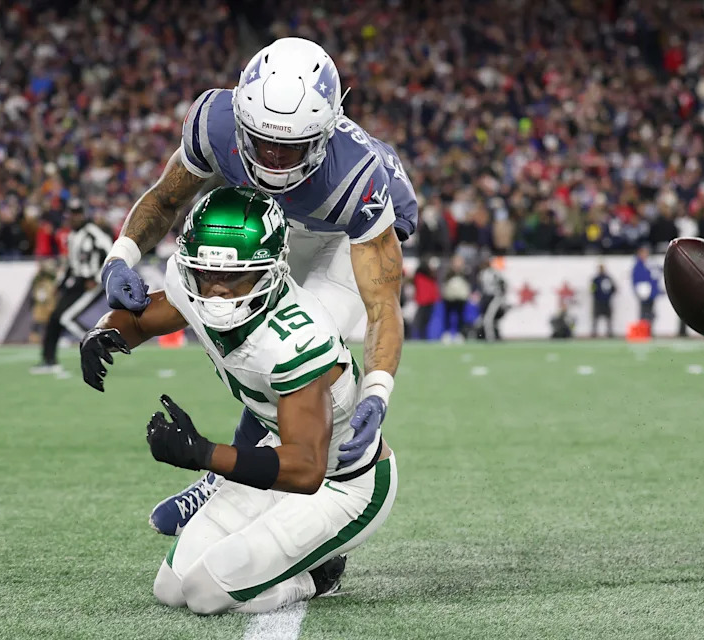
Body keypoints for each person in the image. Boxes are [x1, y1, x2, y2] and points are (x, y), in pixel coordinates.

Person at [101, 38, 416, 535]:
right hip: (279, 218)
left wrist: (378, 392)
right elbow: (165, 199)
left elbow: (382, 307)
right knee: (243, 324)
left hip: (340, 233)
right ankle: (242, 474)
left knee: (295, 346)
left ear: (323, 133)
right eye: (262, 140)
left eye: (290, 146)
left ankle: (232, 480)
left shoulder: (357, 179)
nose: (272, 158)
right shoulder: (214, 122)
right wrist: (119, 257)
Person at [80, 188, 396, 614]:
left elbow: (306, 470)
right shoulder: (194, 287)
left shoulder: (297, 340)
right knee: (171, 588)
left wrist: (204, 454)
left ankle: (317, 579)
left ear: (273, 271)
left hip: (343, 483)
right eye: (205, 273)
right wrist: (103, 330)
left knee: (208, 594)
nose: (217, 291)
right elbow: (141, 318)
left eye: (235, 276)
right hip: (277, 453)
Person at [32, 200, 113, 372]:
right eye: (72, 213)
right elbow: (71, 263)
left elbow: (110, 252)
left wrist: (97, 278)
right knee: (55, 318)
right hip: (76, 281)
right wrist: (59, 284)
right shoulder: (72, 236)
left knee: (66, 318)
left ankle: (99, 349)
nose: (75, 217)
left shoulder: (94, 233)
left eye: (78, 213)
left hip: (90, 282)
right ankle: (49, 360)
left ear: (83, 214)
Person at [473, 256, 506, 341]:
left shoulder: (491, 273)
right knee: (486, 318)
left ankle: (491, 337)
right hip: (488, 298)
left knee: (488, 318)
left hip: (494, 297)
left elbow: (502, 285)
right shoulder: (485, 273)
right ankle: (488, 336)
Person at [441, 256, 471, 343]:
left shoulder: (465, 272)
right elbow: (444, 282)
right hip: (449, 297)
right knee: (447, 315)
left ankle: (460, 334)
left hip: (461, 297)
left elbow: (469, 283)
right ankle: (447, 334)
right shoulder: (448, 272)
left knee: (461, 316)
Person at [632, 246, 660, 336]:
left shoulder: (651, 264)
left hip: (651, 294)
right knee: (644, 313)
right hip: (643, 294)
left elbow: (656, 277)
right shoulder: (638, 266)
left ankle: (649, 331)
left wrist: (656, 291)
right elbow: (635, 280)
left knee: (651, 314)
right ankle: (643, 332)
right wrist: (638, 291)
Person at [412, 258, 439, 340]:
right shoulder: (420, 275)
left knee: (425, 321)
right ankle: (417, 337)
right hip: (422, 301)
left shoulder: (431, 277)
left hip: (429, 301)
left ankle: (422, 337)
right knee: (420, 321)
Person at [590, 264, 616, 338]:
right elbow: (592, 290)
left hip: (606, 302)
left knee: (608, 318)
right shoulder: (595, 279)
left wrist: (608, 296)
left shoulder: (608, 278)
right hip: (598, 302)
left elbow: (614, 289)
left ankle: (609, 332)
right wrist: (596, 297)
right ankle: (594, 333)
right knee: (595, 318)